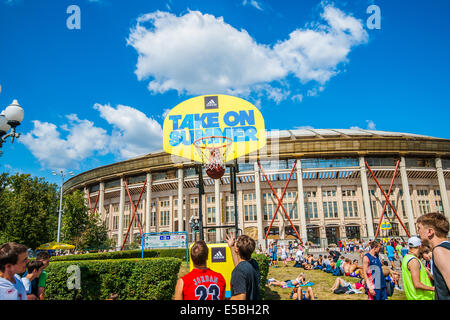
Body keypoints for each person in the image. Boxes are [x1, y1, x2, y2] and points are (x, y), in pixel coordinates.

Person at [416, 212, 450, 300]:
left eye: (419, 228)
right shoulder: (443, 249)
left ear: (430, 231)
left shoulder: (439, 251)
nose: (417, 232)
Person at [226, 234, 261, 300]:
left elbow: (240, 298)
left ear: (237, 249)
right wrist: (231, 247)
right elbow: (239, 265)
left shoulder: (239, 271)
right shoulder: (253, 264)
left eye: (236, 241)